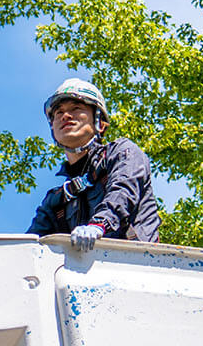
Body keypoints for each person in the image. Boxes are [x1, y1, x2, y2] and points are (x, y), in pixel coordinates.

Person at [27, 78, 161, 249]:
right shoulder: (56, 201)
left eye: (76, 108)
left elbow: (122, 191)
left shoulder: (121, 153)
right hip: (88, 272)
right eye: (58, 113)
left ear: (98, 121)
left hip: (134, 264)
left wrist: (99, 225)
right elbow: (30, 244)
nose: (66, 116)